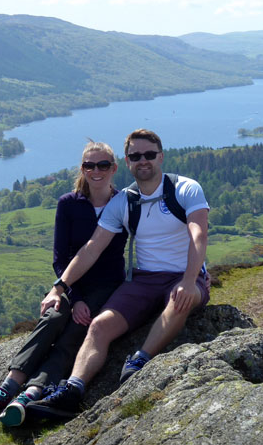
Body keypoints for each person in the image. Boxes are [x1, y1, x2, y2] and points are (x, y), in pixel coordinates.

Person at [28, 128, 209, 418]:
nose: (143, 161)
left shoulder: (185, 189)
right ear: (126, 162)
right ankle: (72, 390)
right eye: (136, 156)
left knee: (178, 302)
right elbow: (91, 249)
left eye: (149, 154)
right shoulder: (123, 201)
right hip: (144, 279)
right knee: (99, 326)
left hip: (185, 276)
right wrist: (59, 287)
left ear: (160, 157)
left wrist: (189, 280)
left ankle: (139, 360)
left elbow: (198, 234)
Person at [0, 141, 128, 426]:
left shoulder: (124, 203)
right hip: (70, 283)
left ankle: (32, 392)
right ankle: (6, 388)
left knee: (77, 328)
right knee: (53, 317)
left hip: (106, 287)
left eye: (103, 165)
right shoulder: (69, 204)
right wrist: (71, 294)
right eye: (89, 165)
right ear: (82, 169)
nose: (96, 171)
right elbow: (59, 257)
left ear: (114, 168)